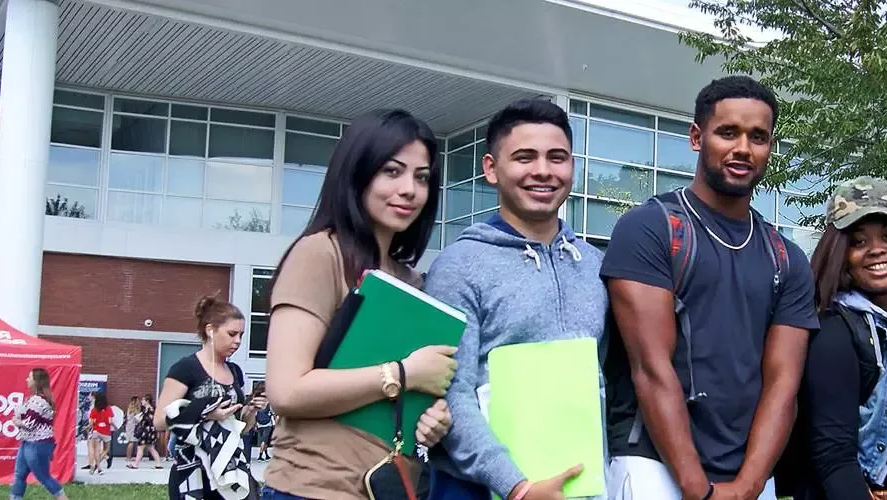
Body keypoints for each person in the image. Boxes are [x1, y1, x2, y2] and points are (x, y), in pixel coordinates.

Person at [602, 75, 819, 500]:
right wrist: (697, 489)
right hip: (653, 465)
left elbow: (783, 385)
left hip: (749, 478)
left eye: (758, 137)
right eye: (728, 132)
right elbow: (650, 369)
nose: (743, 148)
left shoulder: (787, 257)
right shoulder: (650, 229)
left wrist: (748, 485)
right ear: (697, 138)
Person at [262, 108, 458, 500]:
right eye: (392, 171)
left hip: (387, 489)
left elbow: (400, 401)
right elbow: (285, 390)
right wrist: (403, 374)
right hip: (311, 489)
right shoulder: (320, 253)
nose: (409, 190)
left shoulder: (413, 282)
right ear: (357, 172)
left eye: (421, 178)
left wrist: (431, 420)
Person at [427, 98, 605, 500]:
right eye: (525, 157)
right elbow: (451, 392)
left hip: (583, 487)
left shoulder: (596, 267)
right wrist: (517, 487)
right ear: (491, 168)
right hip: (478, 490)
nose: (543, 171)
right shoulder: (459, 266)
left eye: (557, 157)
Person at [779, 177, 887, 500]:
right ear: (840, 253)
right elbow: (834, 460)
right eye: (859, 242)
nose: (877, 250)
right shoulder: (835, 330)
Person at [155, 296, 259, 500]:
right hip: (193, 472)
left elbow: (239, 426)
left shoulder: (235, 371)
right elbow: (159, 420)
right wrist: (206, 414)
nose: (237, 341)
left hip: (229, 470)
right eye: (232, 334)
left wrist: (251, 411)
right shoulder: (186, 368)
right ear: (210, 330)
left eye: (241, 334)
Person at [12, 368, 69, 500]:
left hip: (38, 444)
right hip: (29, 443)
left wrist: (16, 421)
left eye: (29, 377)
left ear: (36, 381)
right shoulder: (36, 399)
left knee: (43, 477)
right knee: (20, 475)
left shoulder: (38, 400)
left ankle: (62, 497)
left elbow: (30, 424)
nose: (27, 379)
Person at [133, 395, 167, 467]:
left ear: (147, 401)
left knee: (140, 447)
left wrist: (141, 420)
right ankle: (158, 464)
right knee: (151, 448)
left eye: (143, 400)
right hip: (149, 431)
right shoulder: (146, 409)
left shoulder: (150, 409)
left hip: (147, 431)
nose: (142, 401)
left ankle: (135, 464)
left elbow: (150, 420)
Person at [86, 392, 111, 475]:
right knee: (106, 449)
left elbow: (91, 423)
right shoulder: (108, 409)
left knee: (97, 450)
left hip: (96, 431)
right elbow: (110, 421)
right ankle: (96, 465)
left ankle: (97, 467)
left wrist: (87, 427)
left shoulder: (94, 410)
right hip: (106, 432)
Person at [250, 389, 274, 461]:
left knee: (264, 440)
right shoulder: (269, 404)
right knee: (264, 441)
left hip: (259, 424)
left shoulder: (258, 403)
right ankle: (260, 455)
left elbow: (255, 414)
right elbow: (272, 413)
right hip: (267, 424)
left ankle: (266, 455)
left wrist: (255, 424)